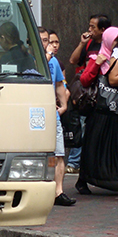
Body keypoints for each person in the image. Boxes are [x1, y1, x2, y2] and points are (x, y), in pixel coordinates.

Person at [75, 26, 118, 194]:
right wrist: (97, 63)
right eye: (115, 39)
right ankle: (83, 180)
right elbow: (85, 80)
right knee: (92, 146)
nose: (117, 43)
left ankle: (110, 179)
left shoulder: (116, 57)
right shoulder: (99, 57)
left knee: (110, 147)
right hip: (98, 110)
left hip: (113, 110)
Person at [66, 14, 110, 174]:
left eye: (93, 27)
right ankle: (75, 162)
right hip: (87, 93)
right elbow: (73, 60)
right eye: (89, 26)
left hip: (104, 93)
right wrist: (81, 44)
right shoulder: (89, 43)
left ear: (103, 30)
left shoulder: (109, 48)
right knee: (82, 124)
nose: (89, 29)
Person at [41, 28, 75, 206]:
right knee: (44, 154)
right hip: (36, 114)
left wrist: (63, 105)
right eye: (43, 41)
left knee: (58, 153)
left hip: (52, 114)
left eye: (48, 40)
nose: (47, 44)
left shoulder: (53, 62)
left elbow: (59, 84)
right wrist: (45, 57)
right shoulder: (31, 60)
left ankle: (58, 191)